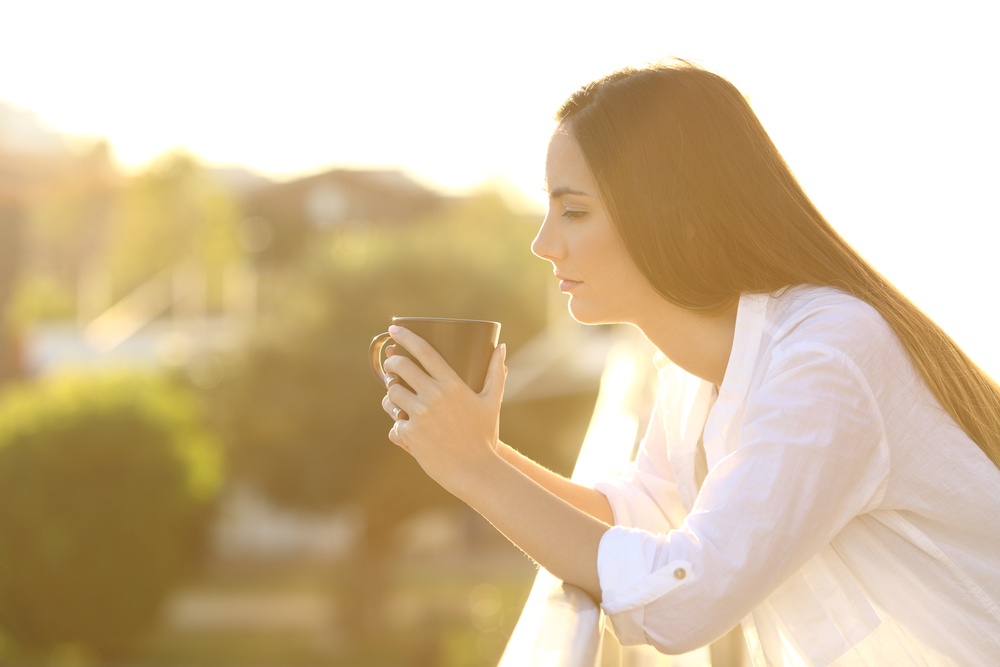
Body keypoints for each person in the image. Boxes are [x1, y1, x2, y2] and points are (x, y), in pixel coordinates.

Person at [378, 60, 1000, 666]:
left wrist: (476, 469)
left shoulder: (825, 357)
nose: (544, 243)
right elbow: (642, 514)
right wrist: (474, 448)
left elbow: (684, 598)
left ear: (675, 215)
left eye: (573, 211)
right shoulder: (697, 367)